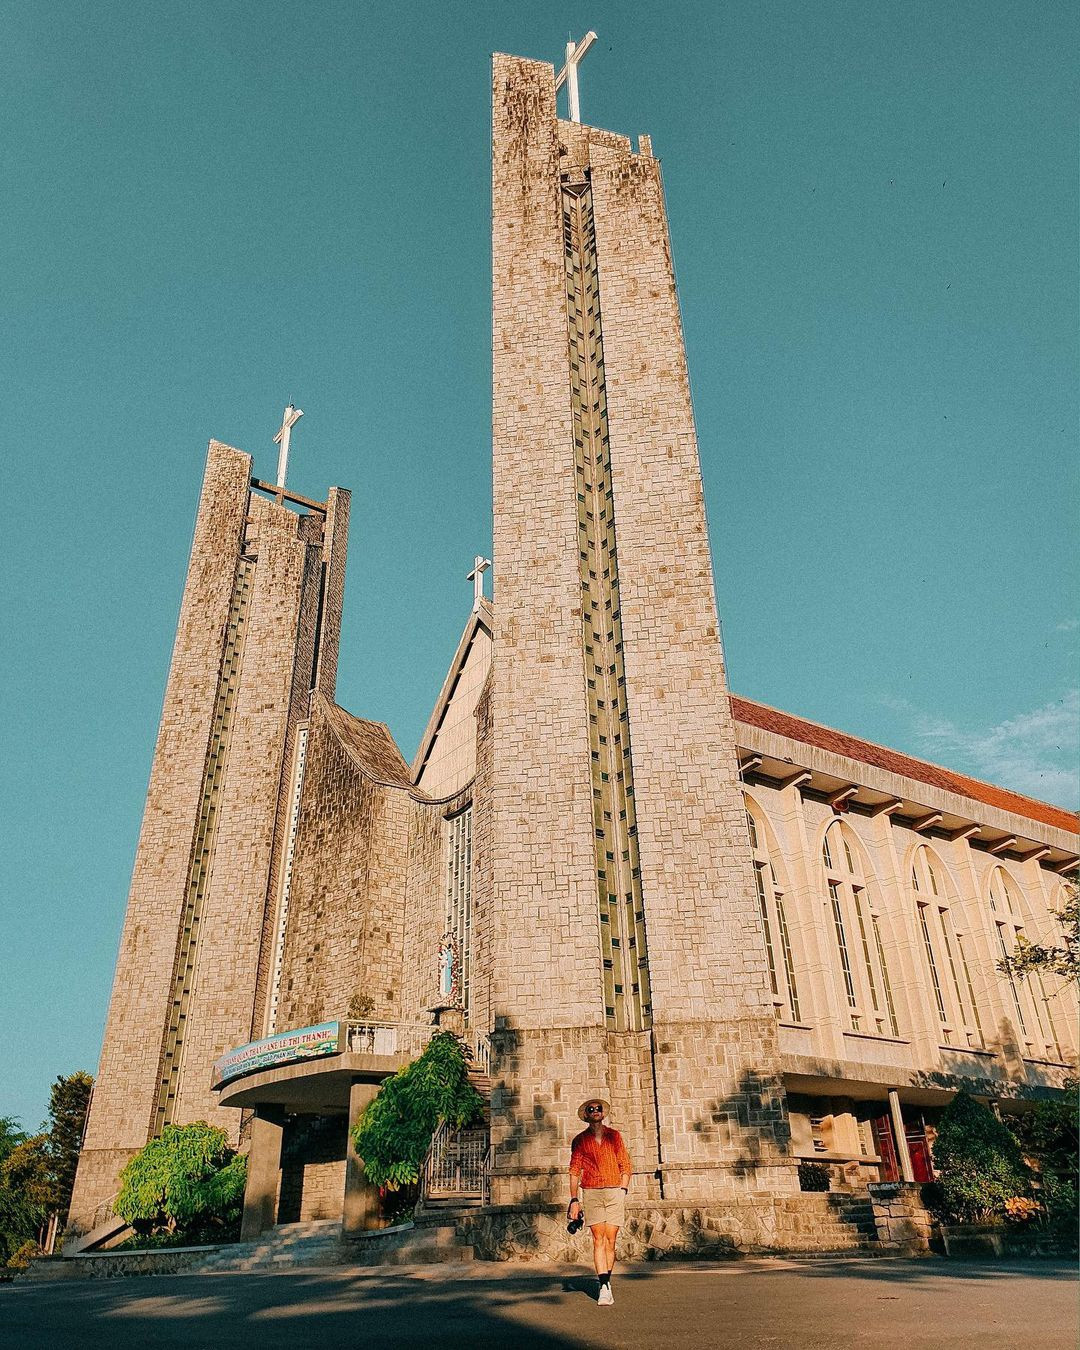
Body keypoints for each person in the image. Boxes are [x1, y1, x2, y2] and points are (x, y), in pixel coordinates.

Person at [568, 1097, 631, 1306]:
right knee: (598, 1238)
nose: (595, 1111)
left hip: (614, 1190)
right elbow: (574, 1171)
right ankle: (603, 1286)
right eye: (591, 1109)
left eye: (598, 1108)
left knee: (611, 1239)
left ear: (603, 1113)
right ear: (586, 1115)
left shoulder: (614, 1136)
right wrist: (574, 1200)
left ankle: (607, 1281)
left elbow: (625, 1164)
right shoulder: (579, 1140)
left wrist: (623, 1189)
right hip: (592, 1191)